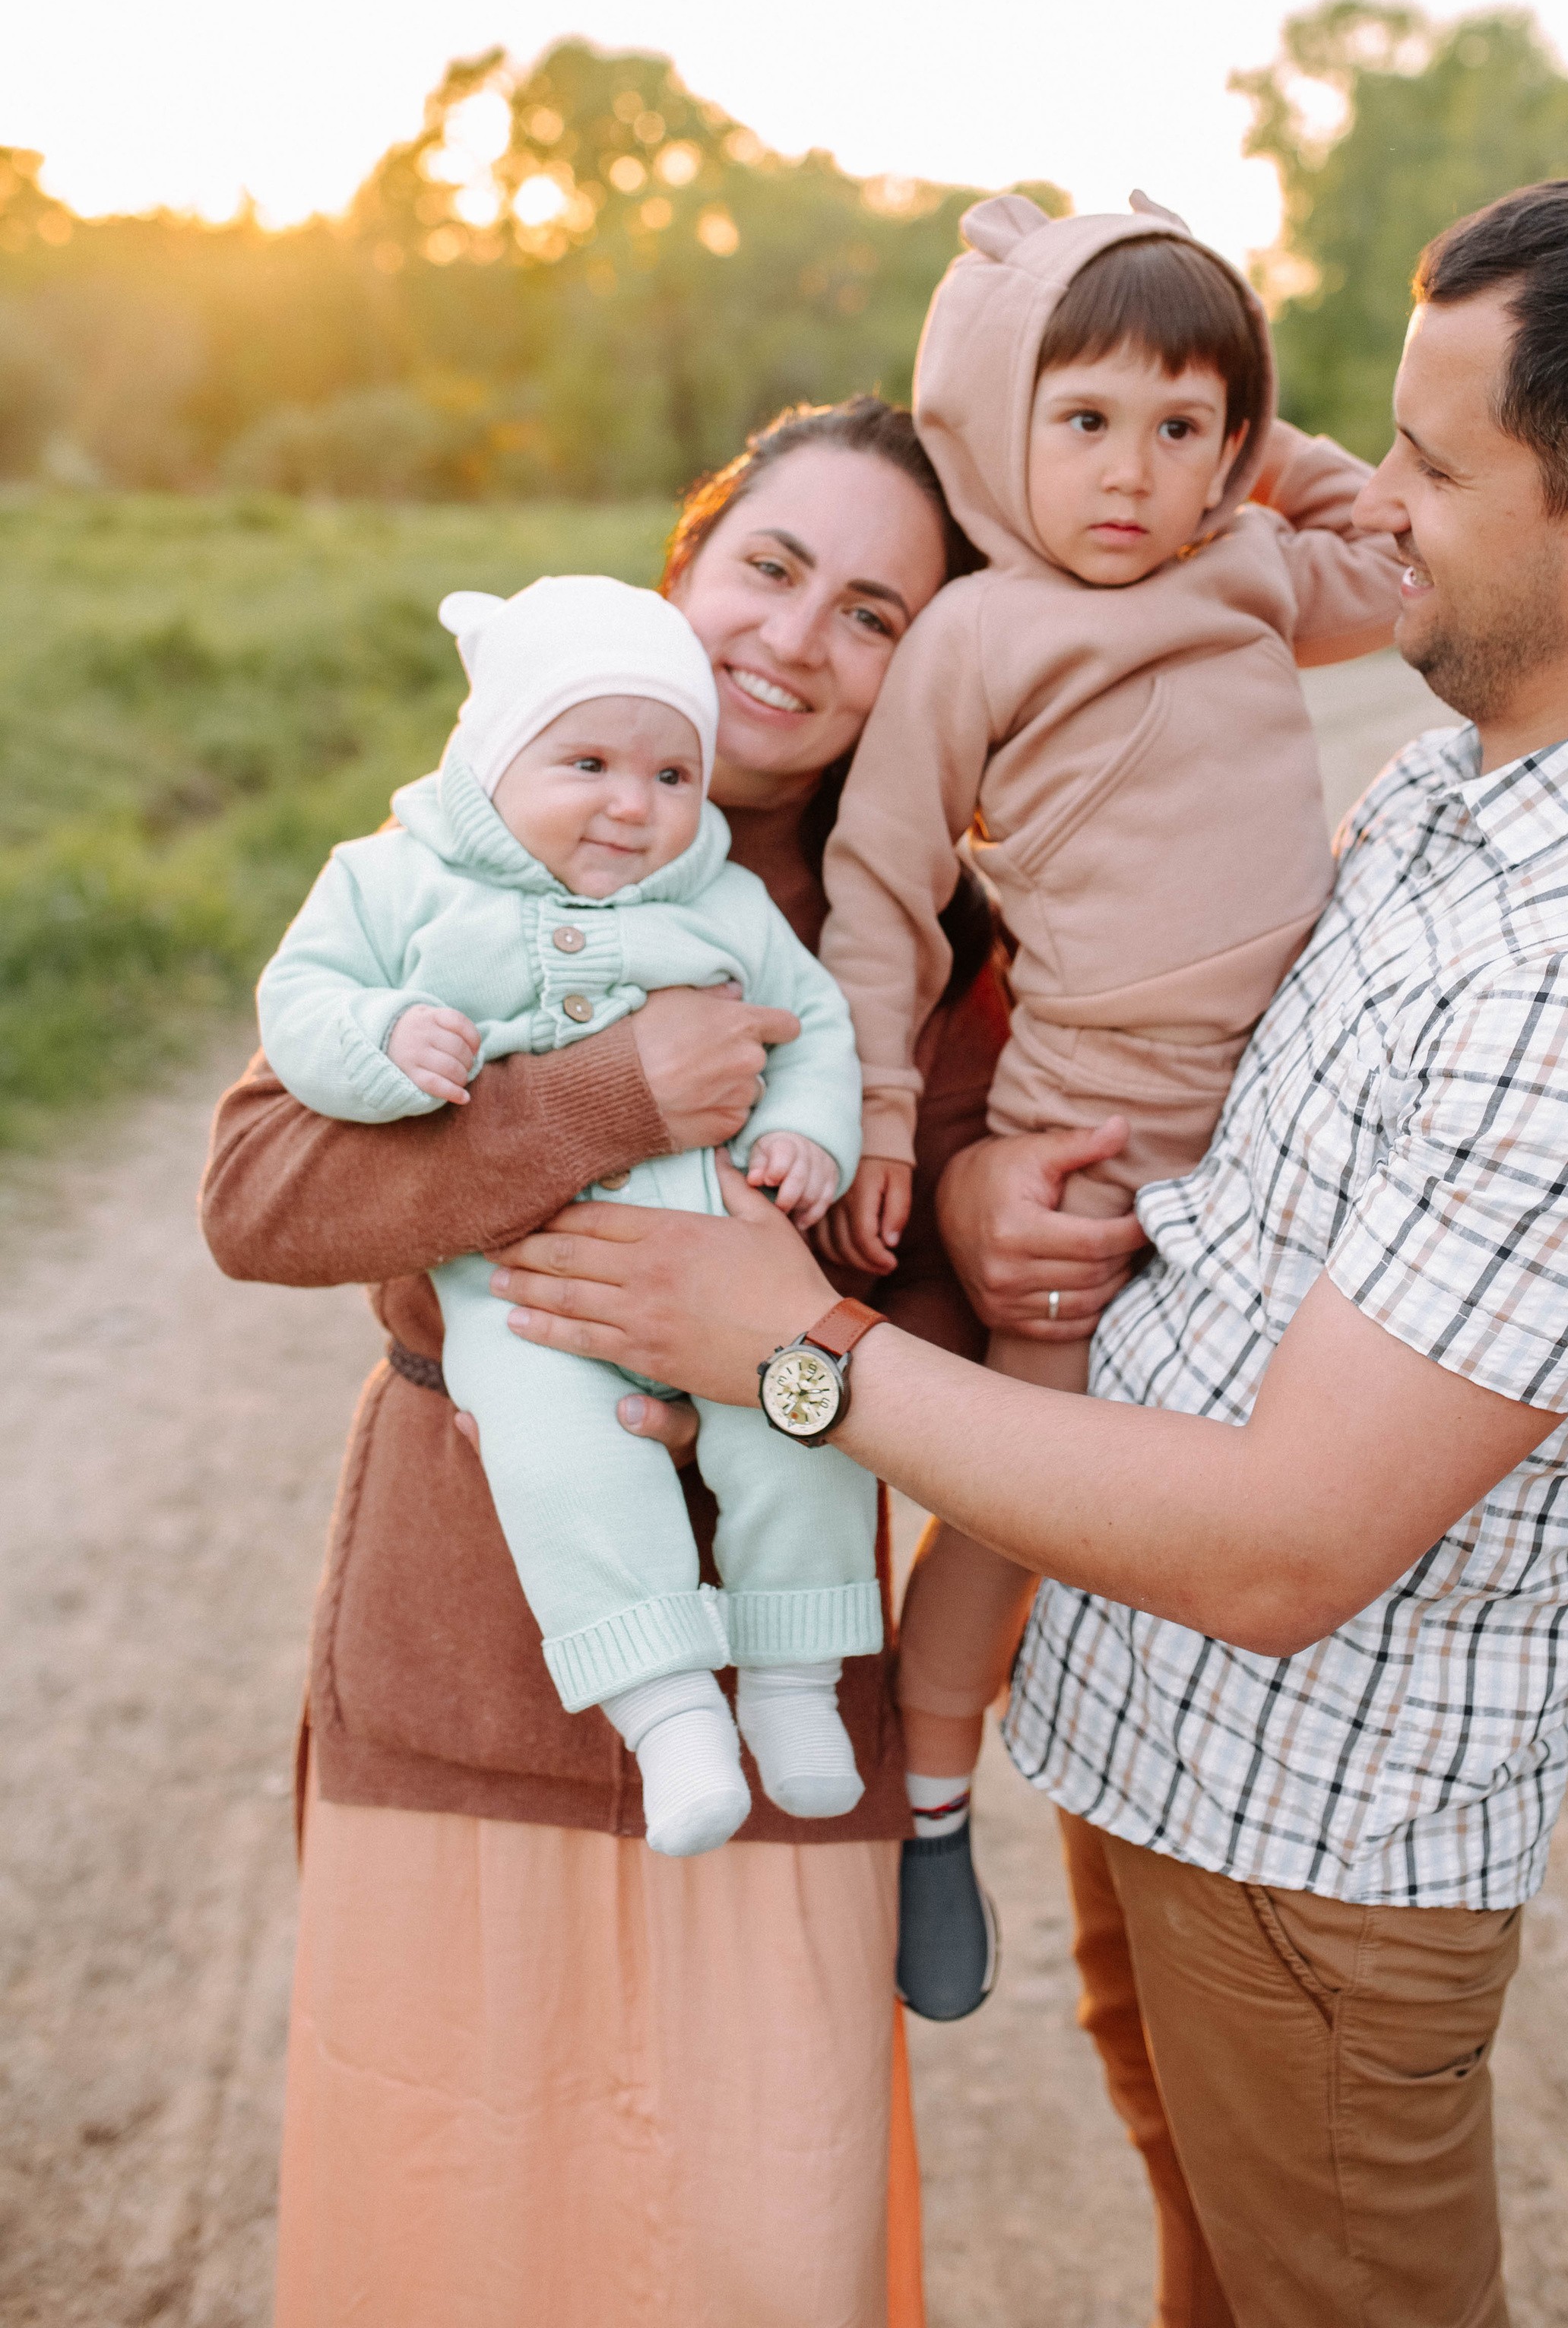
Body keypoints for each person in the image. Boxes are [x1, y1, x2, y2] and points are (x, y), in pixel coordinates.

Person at [485, 170, 1568, 2328]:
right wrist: (968, 1195)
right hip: (1165, 1763)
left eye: (1429, 465)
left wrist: (794, 1350)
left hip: (1313, 1859)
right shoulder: (1461, 797)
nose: (1364, 499)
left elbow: (1287, 1547)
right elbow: (1205, 1151)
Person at [200, 396, 1006, 2328]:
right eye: (770, 567)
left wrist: (781, 1345)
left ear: (922, 669)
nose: (796, 639)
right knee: (460, 2228)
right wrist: (608, 1095)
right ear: (680, 570)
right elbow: (258, 1197)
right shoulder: (475, 836)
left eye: (875, 613)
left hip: (787, 1701)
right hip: (462, 1663)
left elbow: (954, 1325)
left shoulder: (928, 947)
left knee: (762, 2239)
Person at [818, 192, 1402, 2014]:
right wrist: (887, 1113)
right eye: (1082, 420)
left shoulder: (1248, 572)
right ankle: (929, 1802)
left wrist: (1259, 440)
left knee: (1290, 1473)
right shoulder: (974, 637)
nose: (1131, 474)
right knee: (1024, 1490)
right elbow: (881, 887)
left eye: (1180, 427)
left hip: (1286, 1127)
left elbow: (1390, 551)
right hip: (1091, 1133)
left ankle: (1235, 1819)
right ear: (998, 421)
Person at [257, 575, 874, 1858]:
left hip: (728, 1265)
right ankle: (670, 1713)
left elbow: (814, 1022)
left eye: (671, 776)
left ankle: (795, 1680)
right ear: (492, 760)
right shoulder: (395, 881)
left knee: (803, 1426)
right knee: (563, 1466)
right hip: (526, 1294)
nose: (633, 806)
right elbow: (302, 997)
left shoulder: (722, 900)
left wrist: (807, 1131)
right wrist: (383, 1038)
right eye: (587, 765)